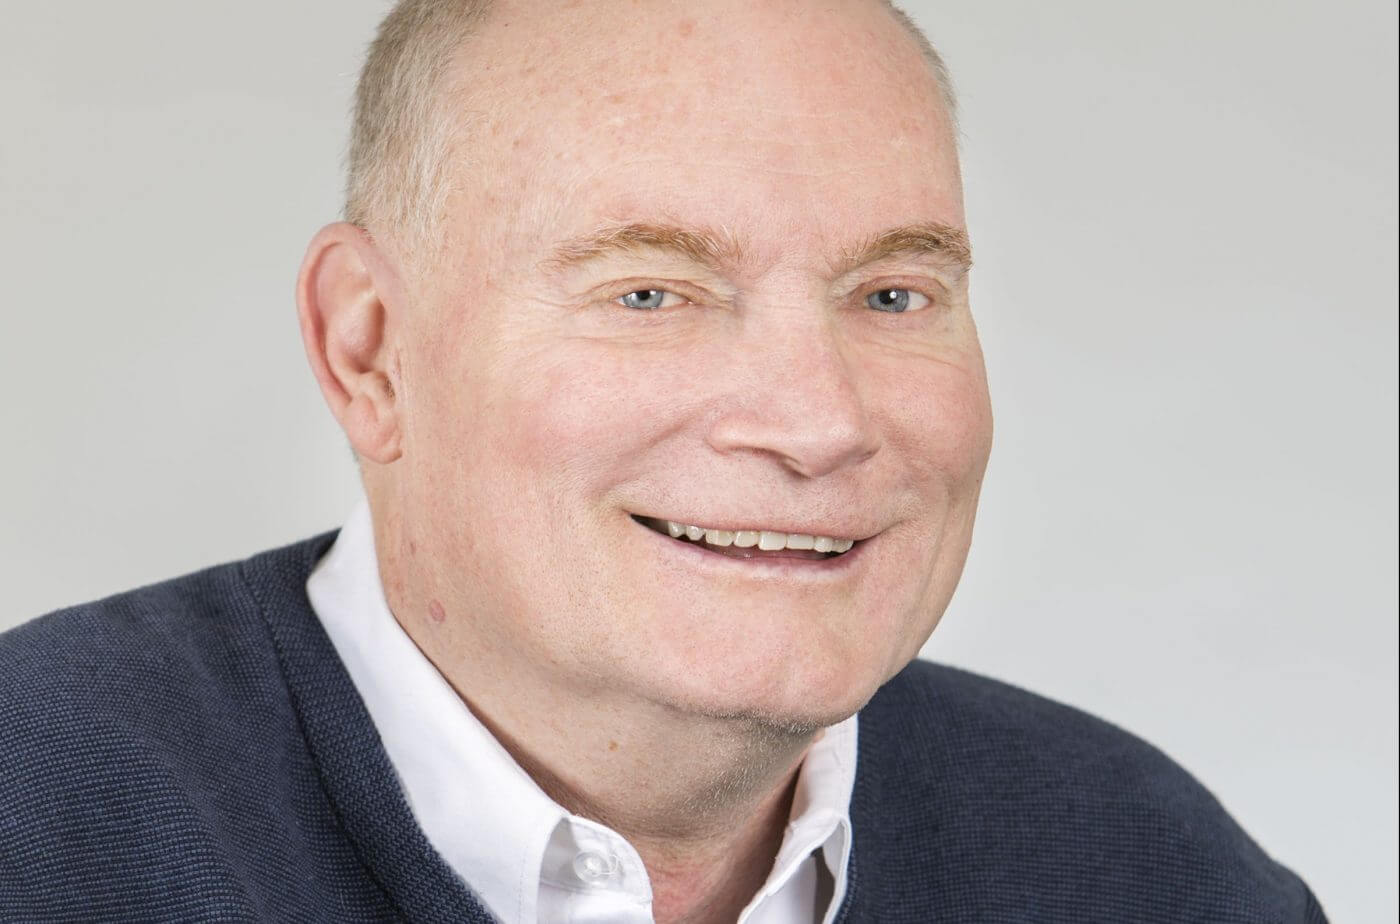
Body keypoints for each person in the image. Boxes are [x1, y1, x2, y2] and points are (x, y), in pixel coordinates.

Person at [0, 0, 1328, 921]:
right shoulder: (37, 825)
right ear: (372, 352)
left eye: (892, 295)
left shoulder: (1158, 873)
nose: (818, 422)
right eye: (649, 293)